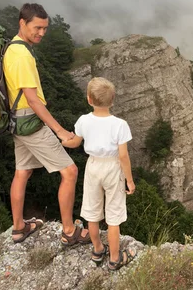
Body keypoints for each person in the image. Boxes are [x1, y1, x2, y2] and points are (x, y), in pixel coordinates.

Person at [3, 2, 90, 246]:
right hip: (30, 123)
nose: (41, 33)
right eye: (37, 28)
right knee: (70, 171)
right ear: (23, 23)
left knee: (23, 172)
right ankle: (69, 231)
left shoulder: (13, 48)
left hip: (16, 121)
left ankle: (19, 227)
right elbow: (33, 100)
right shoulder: (21, 56)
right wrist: (61, 131)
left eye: (45, 29)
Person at [62, 77, 137, 270]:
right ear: (112, 100)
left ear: (89, 99)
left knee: (92, 214)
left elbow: (75, 142)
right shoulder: (120, 124)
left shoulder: (83, 120)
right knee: (113, 217)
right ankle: (114, 258)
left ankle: (97, 249)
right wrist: (129, 180)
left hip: (93, 166)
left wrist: (63, 140)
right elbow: (123, 156)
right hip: (113, 168)